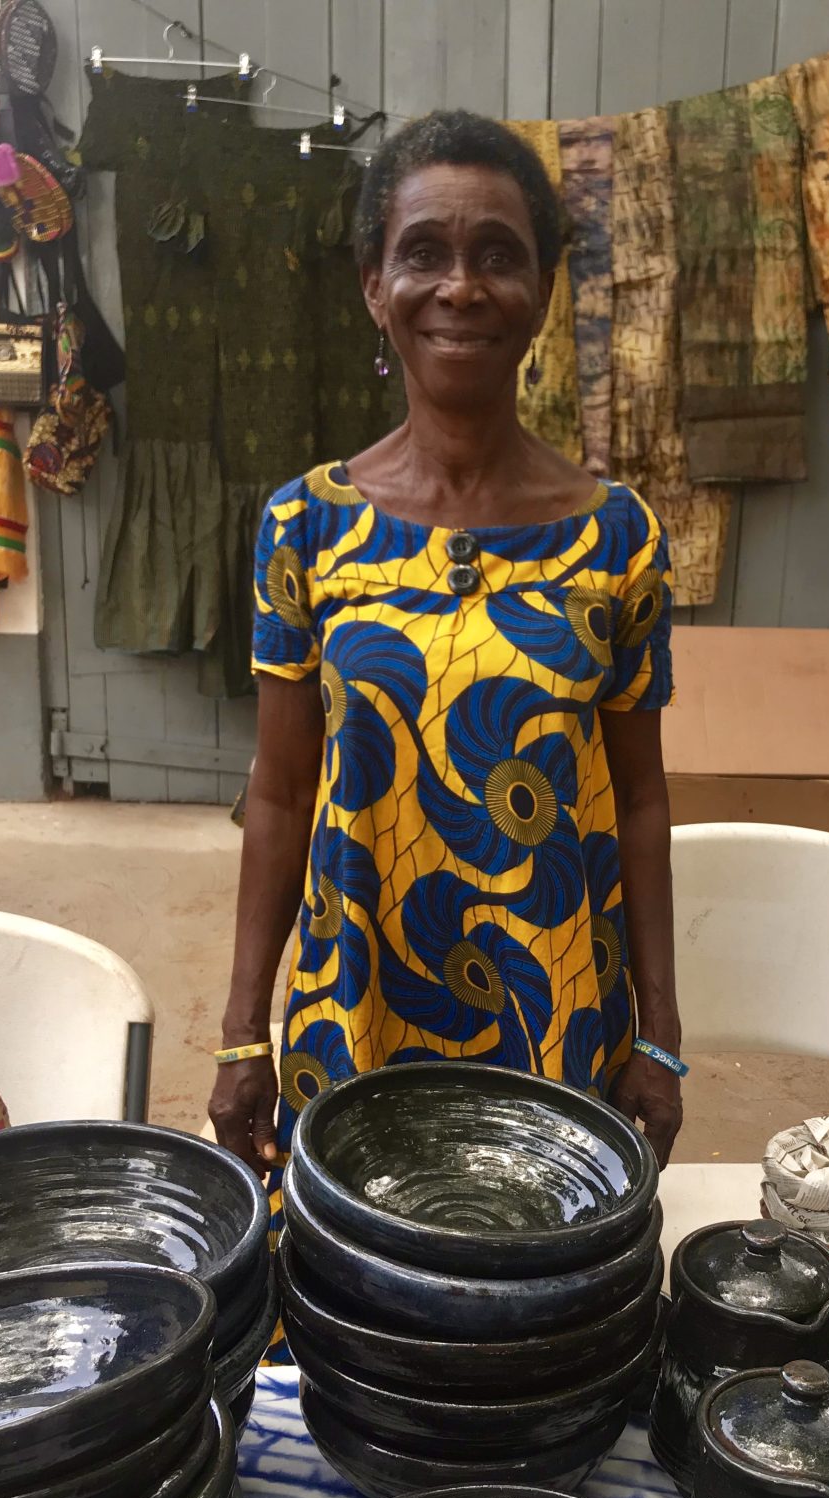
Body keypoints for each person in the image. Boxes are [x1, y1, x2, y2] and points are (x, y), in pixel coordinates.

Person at [210, 109, 685, 1232]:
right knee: (351, 1306)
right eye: (424, 252)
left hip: (554, 1012)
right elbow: (277, 798)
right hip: (355, 1004)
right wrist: (244, 1030)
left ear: (543, 290)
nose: (460, 288)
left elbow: (643, 800)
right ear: (375, 284)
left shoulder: (617, 538)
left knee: (530, 1317)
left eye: (498, 255)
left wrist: (659, 1034)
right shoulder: (305, 528)